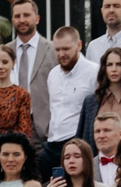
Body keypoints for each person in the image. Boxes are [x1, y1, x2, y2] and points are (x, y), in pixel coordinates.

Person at [28, 22, 98, 177]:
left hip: (77, 142)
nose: (61, 54)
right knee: (38, 182)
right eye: (57, 49)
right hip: (52, 143)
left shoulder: (94, 72)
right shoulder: (53, 74)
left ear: (79, 45)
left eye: (66, 49)